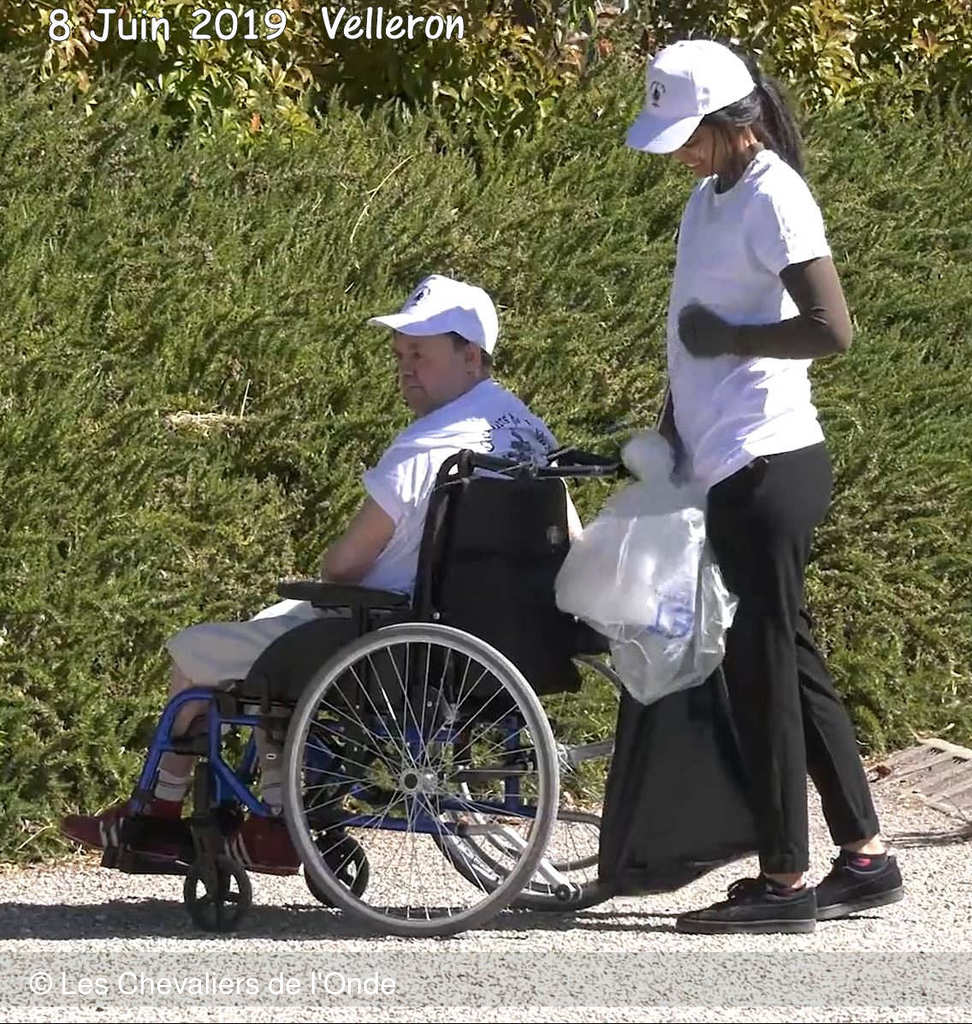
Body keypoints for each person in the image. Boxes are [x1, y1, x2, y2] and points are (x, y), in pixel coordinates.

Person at [61, 273, 570, 873]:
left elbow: (344, 563)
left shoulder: (427, 446)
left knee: (199, 652)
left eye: (421, 354)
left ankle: (160, 816)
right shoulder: (531, 434)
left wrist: (328, 571)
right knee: (275, 631)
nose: (406, 369)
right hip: (494, 642)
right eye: (400, 355)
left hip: (388, 641)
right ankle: (271, 822)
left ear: (472, 356)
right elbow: (567, 538)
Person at [624, 39, 904, 933]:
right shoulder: (710, 198)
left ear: (730, 121)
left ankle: (785, 883)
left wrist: (733, 342)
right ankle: (865, 858)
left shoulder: (776, 196)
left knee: (763, 673)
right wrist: (670, 436)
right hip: (728, 464)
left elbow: (832, 328)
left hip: (769, 465)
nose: (679, 152)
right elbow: (686, 332)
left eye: (689, 135)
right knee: (793, 659)